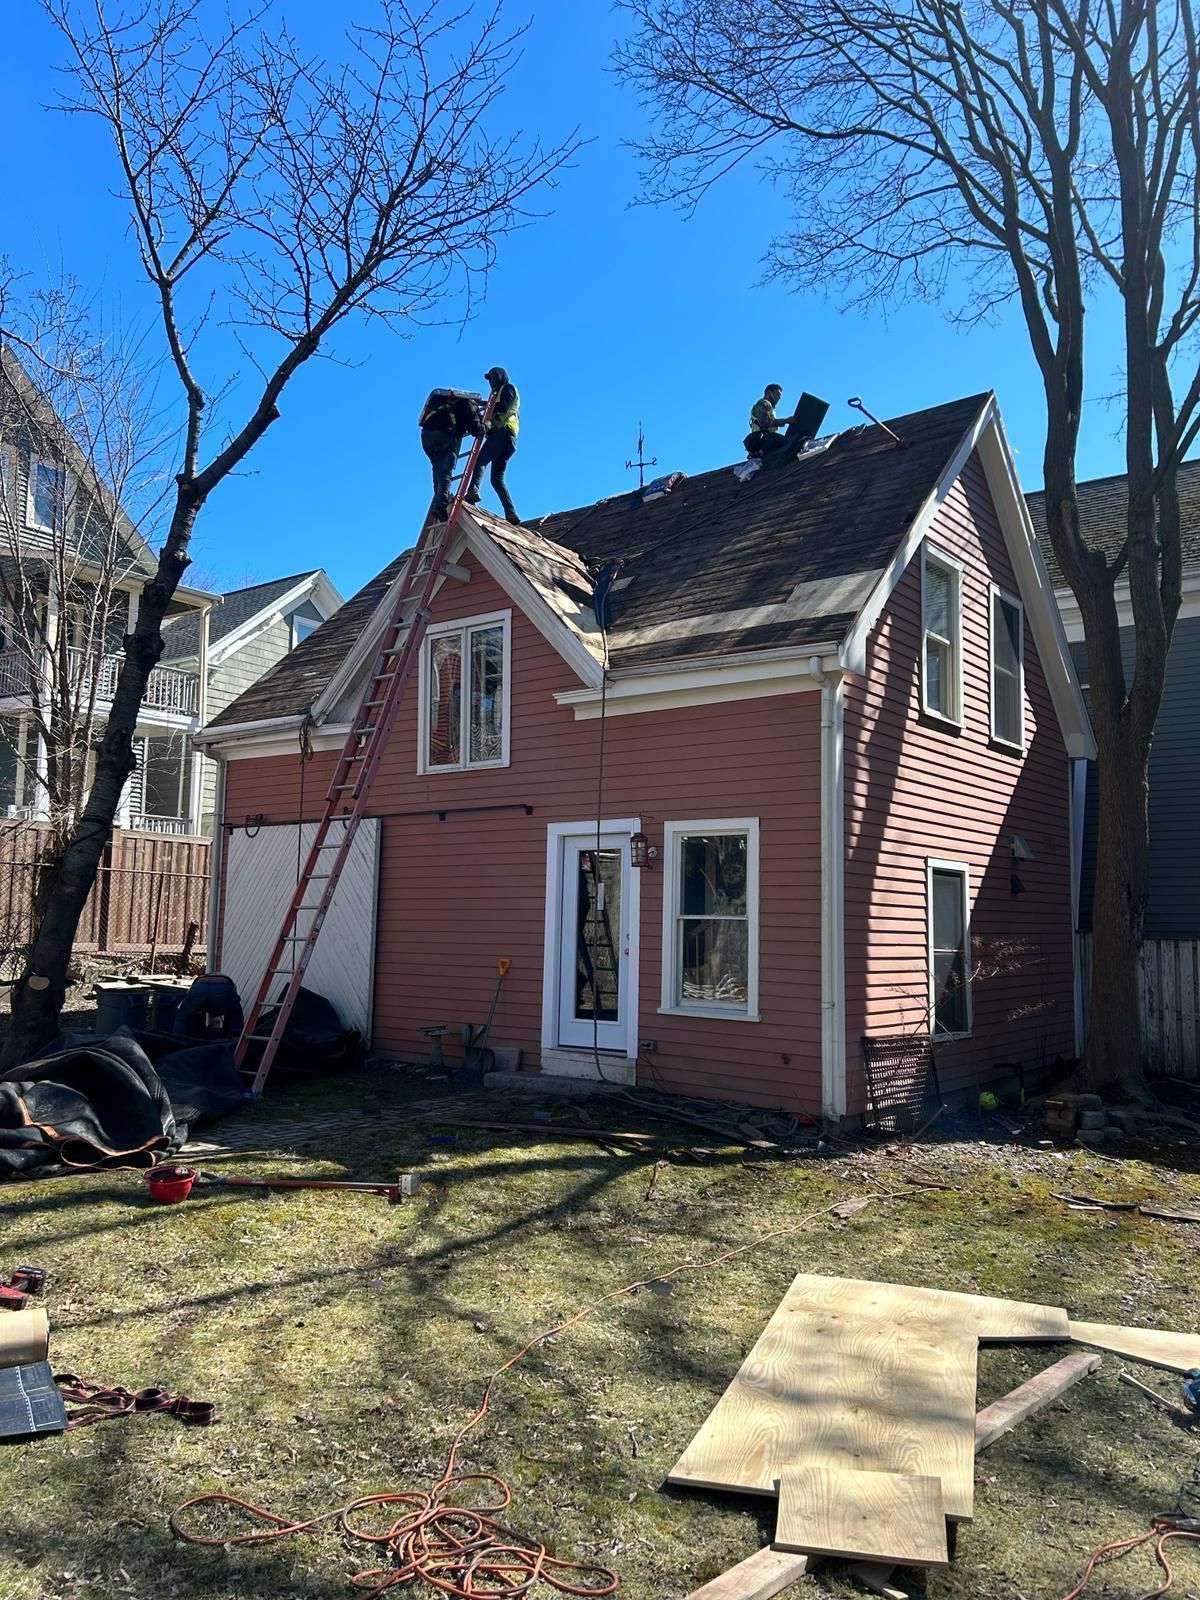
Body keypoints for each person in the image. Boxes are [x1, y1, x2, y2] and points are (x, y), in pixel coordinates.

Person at [467, 366, 521, 524]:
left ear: (500, 377)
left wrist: (485, 406)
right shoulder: (496, 394)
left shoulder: (508, 389)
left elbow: (503, 407)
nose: (491, 382)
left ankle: (473, 490)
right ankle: (510, 513)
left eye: (492, 378)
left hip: (503, 433)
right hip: (507, 439)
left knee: (480, 459)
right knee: (497, 479)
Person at [419, 388, 483, 520]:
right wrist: (486, 425)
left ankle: (440, 499)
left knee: (437, 469)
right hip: (444, 435)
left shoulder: (446, 403)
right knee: (445, 470)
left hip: (427, 435)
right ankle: (441, 505)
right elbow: (476, 429)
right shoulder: (469, 405)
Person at [744, 383, 795, 459]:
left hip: (766, 439)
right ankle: (760, 453)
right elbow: (764, 422)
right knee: (787, 442)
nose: (778, 398)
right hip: (763, 439)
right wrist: (785, 421)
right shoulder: (762, 403)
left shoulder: (769, 407)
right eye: (777, 394)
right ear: (768, 393)